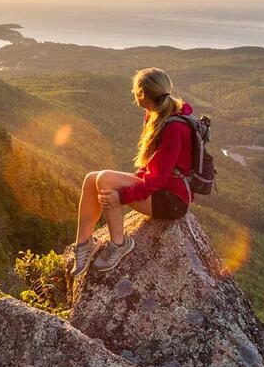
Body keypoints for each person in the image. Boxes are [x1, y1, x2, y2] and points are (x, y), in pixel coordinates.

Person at [71, 67, 194, 275]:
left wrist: (121, 196)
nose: (133, 93)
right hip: (161, 190)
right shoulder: (156, 115)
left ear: (142, 93)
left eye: (135, 89)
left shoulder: (175, 127)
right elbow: (154, 167)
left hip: (172, 201)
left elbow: (157, 180)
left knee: (105, 180)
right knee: (91, 179)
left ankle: (119, 244)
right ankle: (84, 244)